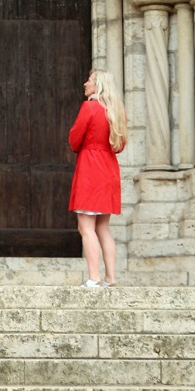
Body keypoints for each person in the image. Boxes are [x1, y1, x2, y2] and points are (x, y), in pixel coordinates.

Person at [68, 69, 127, 287]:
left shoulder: (90, 108)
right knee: (103, 227)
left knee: (86, 227)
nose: (85, 83)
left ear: (99, 84)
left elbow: (74, 139)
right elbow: (119, 145)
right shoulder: (117, 112)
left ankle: (93, 278)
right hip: (109, 170)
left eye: (90, 80)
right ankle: (110, 278)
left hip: (90, 170)